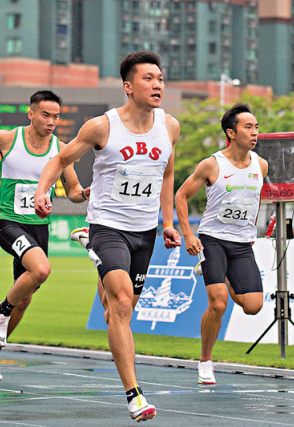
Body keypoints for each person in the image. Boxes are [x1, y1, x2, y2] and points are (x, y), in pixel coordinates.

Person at [34, 51, 180, 423]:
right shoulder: (102, 126)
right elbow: (60, 160)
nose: (157, 84)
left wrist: (167, 222)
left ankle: (97, 263)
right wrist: (42, 191)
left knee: (121, 302)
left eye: (160, 78)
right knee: (120, 304)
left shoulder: (171, 127)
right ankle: (134, 394)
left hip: (145, 232)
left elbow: (166, 174)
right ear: (128, 86)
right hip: (108, 226)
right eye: (148, 78)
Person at [0, 90, 88, 381]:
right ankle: (2, 309)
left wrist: (85, 193)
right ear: (31, 113)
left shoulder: (61, 149)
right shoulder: (7, 139)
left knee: (26, 300)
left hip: (38, 227)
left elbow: (72, 191)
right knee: (42, 269)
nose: (51, 121)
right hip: (9, 223)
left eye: (56, 116)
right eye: (45, 115)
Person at [174, 103, 268, 385]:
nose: (254, 133)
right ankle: (205, 360)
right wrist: (189, 235)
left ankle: (219, 272)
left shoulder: (261, 165)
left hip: (241, 244)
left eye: (256, 127)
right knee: (218, 304)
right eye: (248, 127)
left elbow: (255, 199)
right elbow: (181, 196)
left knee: (252, 306)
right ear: (231, 132)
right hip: (213, 239)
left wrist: (250, 229)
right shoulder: (212, 164)